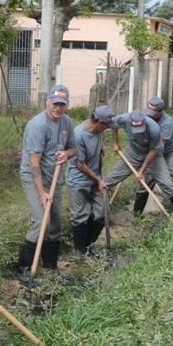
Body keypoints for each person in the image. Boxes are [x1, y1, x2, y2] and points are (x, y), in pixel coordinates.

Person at [14, 84, 77, 286]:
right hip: (35, 179)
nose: (58, 108)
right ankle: (23, 269)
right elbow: (33, 163)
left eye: (62, 105)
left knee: (56, 223)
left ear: (67, 106)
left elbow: (73, 149)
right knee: (42, 221)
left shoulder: (66, 122)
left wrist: (66, 154)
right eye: (55, 104)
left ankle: (50, 266)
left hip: (55, 178)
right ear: (47, 101)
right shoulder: (37, 126)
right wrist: (42, 193)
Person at [104, 110, 173, 211]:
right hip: (133, 153)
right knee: (109, 180)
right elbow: (113, 125)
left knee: (167, 184)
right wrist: (115, 143)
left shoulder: (154, 128)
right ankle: (102, 210)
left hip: (153, 156)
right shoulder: (123, 118)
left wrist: (141, 170)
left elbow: (153, 151)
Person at [66, 105, 115, 260]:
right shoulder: (78, 136)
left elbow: (96, 138)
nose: (107, 128)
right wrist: (99, 180)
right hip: (79, 179)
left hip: (94, 176)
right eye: (106, 125)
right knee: (81, 215)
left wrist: (101, 145)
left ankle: (88, 245)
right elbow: (80, 164)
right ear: (99, 122)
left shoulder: (97, 131)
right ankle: (79, 251)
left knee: (101, 212)